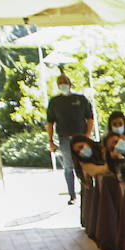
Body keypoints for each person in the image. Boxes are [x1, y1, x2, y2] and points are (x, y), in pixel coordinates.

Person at [46, 74, 94, 205]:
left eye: (65, 82)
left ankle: (87, 190)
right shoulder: (54, 102)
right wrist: (50, 140)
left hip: (81, 138)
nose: (63, 84)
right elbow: (50, 122)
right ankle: (72, 194)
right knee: (68, 166)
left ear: (70, 83)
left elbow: (90, 118)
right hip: (64, 139)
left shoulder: (81, 99)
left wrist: (87, 135)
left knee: (85, 163)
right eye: (60, 82)